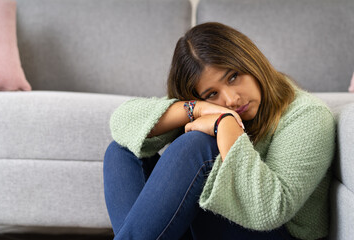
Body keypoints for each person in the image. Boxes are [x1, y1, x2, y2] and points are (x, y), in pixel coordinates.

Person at [103, 22, 335, 240]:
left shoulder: (307, 115)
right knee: (122, 150)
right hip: (223, 225)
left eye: (233, 77)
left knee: (197, 144)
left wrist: (225, 125)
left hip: (280, 232)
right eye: (212, 94)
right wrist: (199, 108)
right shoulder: (210, 105)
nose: (232, 99)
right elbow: (122, 124)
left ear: (251, 62)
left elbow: (271, 209)